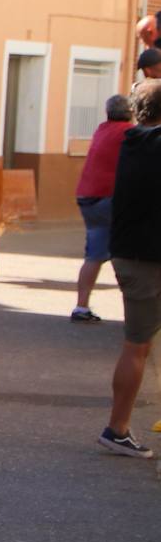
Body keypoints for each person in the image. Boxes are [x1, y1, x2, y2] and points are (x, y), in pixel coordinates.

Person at [99, 79, 161, 458]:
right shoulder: (153, 145)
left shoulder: (133, 142)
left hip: (130, 255)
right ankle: (116, 428)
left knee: (139, 346)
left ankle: (118, 427)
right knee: (137, 348)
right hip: (147, 261)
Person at [74, 94, 131, 324]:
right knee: (126, 253)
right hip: (108, 197)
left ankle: (81, 306)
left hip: (87, 196)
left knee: (95, 254)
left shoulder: (101, 130)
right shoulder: (128, 133)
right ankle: (135, 308)